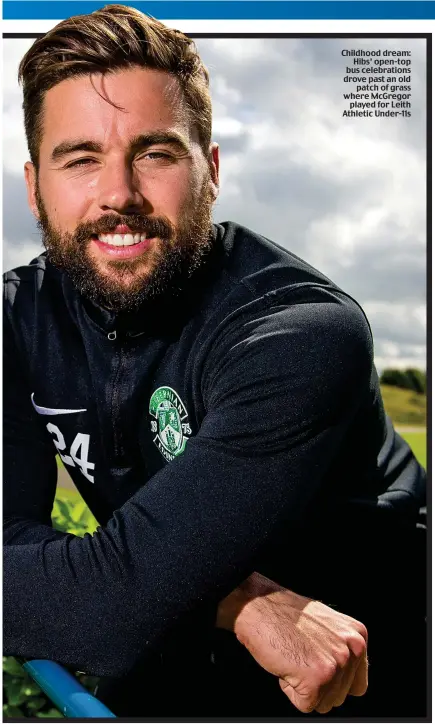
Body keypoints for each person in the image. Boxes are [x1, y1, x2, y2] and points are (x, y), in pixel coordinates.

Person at [3, 5, 427, 718]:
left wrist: (131, 588)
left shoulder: (300, 331)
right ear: (33, 184)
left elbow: (109, 605)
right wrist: (235, 599)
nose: (118, 195)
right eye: (79, 159)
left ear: (213, 170)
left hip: (354, 672)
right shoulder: (15, 321)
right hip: (180, 643)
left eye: (155, 152)